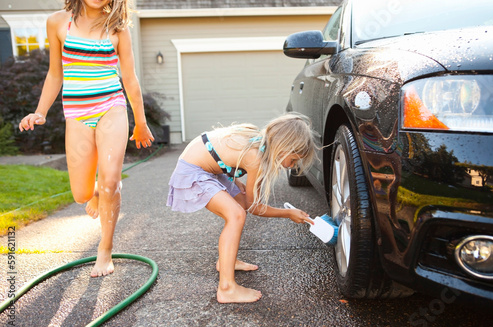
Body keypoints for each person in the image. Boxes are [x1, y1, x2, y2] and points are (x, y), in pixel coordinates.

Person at [19, 0, 154, 277]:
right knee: (81, 193)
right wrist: (40, 111)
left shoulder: (116, 28)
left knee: (110, 181)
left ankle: (105, 250)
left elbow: (129, 77)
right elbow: (55, 73)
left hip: (111, 107)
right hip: (77, 114)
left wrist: (140, 122)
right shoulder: (58, 22)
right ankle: (96, 191)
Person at [167, 113, 317, 303]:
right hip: (193, 170)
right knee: (236, 214)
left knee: (239, 203)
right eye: (294, 160)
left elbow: (220, 155)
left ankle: (226, 262)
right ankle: (227, 288)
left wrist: (235, 179)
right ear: (283, 148)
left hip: (209, 166)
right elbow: (255, 207)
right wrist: (288, 213)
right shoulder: (255, 157)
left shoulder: (260, 143)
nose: (292, 166)